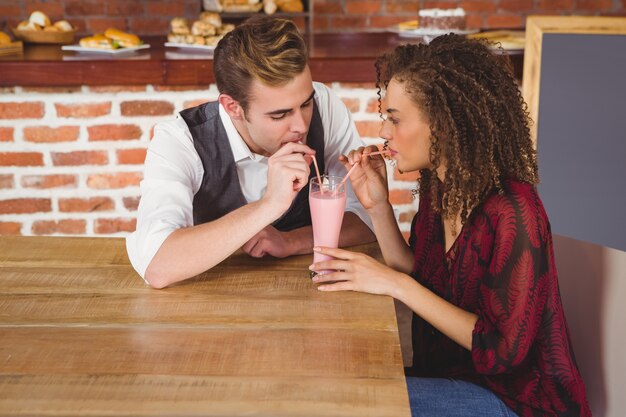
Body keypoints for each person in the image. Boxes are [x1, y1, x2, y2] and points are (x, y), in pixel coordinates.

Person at [309, 35, 592, 417]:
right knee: (339, 384)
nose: (384, 134)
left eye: (394, 119)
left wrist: (395, 284)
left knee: (351, 404)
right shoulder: (441, 189)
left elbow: (499, 353)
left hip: (516, 403)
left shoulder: (513, 211)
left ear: (443, 124)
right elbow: (420, 274)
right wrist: (378, 205)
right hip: (454, 380)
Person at [126, 16, 374, 288]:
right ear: (233, 107)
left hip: (312, 293)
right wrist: (269, 205)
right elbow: (157, 265)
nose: (301, 125)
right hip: (212, 302)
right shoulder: (180, 140)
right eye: (279, 115)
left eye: (305, 103)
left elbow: (367, 219)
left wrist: (291, 242)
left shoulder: (324, 105)